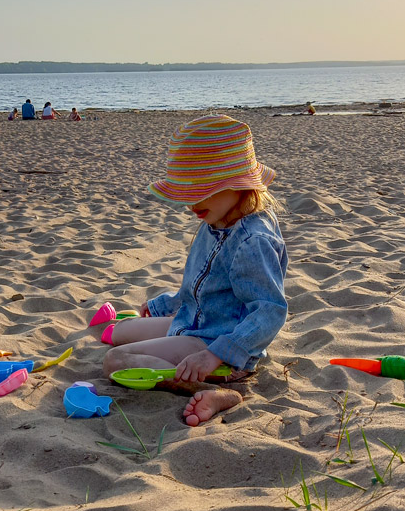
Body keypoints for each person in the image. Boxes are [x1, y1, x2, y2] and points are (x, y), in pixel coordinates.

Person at [102, 115, 288, 426]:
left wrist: (214, 355)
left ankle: (217, 390)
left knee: (115, 361)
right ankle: (184, 354)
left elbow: (270, 310)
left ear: (238, 185)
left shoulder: (253, 240)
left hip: (219, 343)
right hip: (198, 320)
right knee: (118, 332)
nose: (192, 202)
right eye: (187, 191)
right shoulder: (216, 218)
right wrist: (167, 305)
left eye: (203, 189)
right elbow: (203, 285)